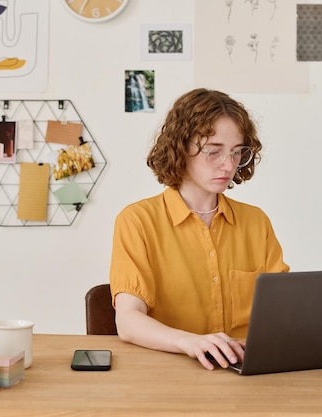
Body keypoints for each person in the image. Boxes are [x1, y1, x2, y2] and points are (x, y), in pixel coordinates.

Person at [109, 88, 290, 370]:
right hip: (170, 373)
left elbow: (284, 310)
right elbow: (129, 321)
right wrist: (191, 342)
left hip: (246, 373)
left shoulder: (256, 222)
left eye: (236, 152)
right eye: (214, 152)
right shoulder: (138, 221)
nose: (228, 165)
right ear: (180, 147)